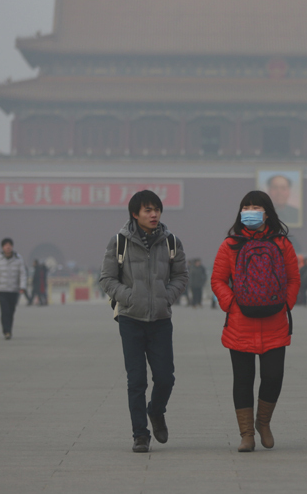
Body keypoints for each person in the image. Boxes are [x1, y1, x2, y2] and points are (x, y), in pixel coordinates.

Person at [211, 190, 299, 452]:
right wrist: (232, 303)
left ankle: (264, 422)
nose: (250, 211)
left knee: (273, 377)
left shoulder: (282, 244)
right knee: (243, 379)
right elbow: (217, 280)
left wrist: (285, 304)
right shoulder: (230, 245)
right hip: (240, 323)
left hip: (275, 322)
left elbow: (294, 279)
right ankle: (246, 434)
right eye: (246, 206)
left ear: (267, 212)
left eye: (256, 207)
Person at [100, 190, 188, 453]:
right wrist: (129, 297)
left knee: (165, 378)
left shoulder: (171, 242)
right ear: (135, 214)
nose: (153, 214)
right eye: (148, 210)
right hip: (131, 319)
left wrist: (165, 297)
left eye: (157, 209)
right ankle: (140, 434)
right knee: (136, 380)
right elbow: (106, 278)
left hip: (160, 320)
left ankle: (156, 410)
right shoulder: (119, 242)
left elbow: (181, 277)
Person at [0, 239, 27, 339]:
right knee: (5, 311)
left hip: (14, 289)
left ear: (12, 247)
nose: (8, 247)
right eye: (5, 245)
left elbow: (22, 274)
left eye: (9, 245)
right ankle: (7, 331)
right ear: (2, 247)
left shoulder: (18, 259)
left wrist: (22, 286)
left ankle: (9, 329)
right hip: (2, 289)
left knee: (11, 311)